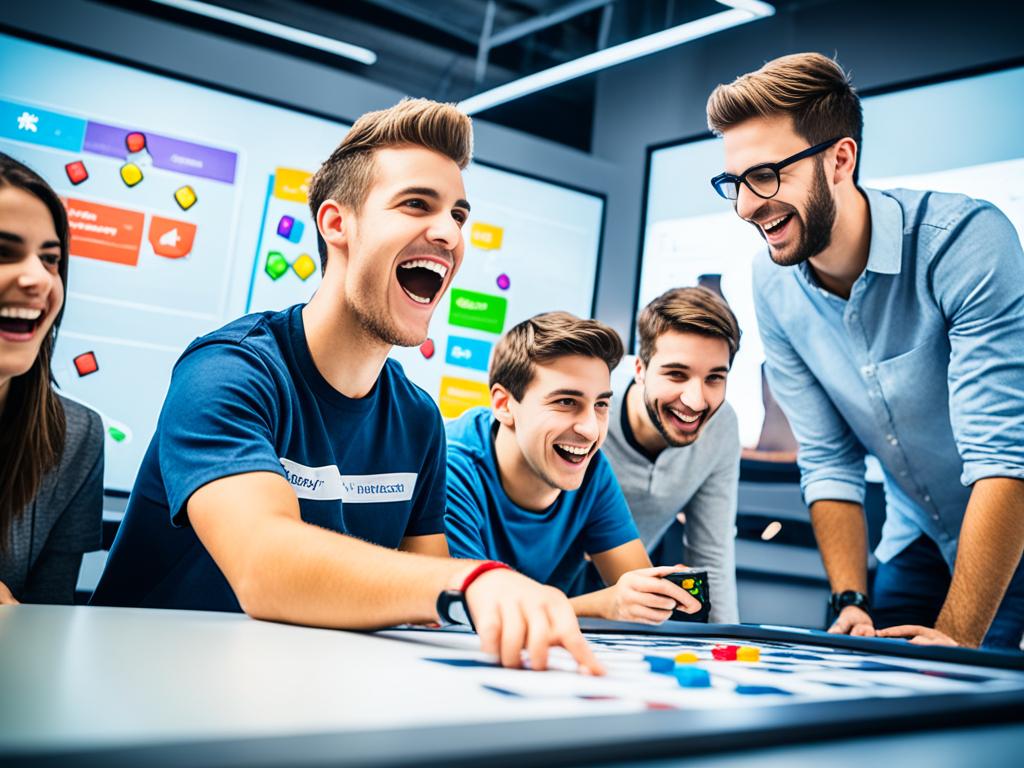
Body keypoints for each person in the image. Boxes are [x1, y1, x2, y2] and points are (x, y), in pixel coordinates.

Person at [91, 100, 601, 673]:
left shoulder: (416, 418)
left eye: (459, 215)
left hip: (306, 696)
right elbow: (265, 566)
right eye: (416, 205)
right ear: (337, 224)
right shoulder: (227, 371)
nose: (449, 233)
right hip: (152, 692)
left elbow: (419, 607)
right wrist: (474, 578)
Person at [705, 52, 1024, 649]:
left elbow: (1004, 457)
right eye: (734, 184)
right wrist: (849, 597)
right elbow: (828, 459)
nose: (746, 205)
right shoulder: (771, 283)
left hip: (1010, 528)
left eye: (765, 177)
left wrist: (956, 639)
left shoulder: (964, 243)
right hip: (914, 533)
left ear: (839, 160)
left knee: (972, 707)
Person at [445, 311, 701, 624]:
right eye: (566, 402)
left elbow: (636, 590)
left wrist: (660, 593)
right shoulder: (451, 468)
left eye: (601, 405)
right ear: (504, 405)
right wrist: (602, 605)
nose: (591, 430)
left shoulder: (591, 469)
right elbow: (466, 612)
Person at [602, 287, 742, 624]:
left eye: (714, 378)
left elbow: (712, 555)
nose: (695, 400)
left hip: (632, 592)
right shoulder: (592, 403)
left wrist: (730, 650)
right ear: (639, 368)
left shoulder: (722, 427)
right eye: (676, 374)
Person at [0, 153, 103, 605]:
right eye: (4, 252)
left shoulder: (74, 437)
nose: (38, 280)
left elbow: (46, 625)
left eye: (50, 259)